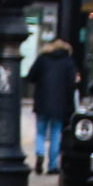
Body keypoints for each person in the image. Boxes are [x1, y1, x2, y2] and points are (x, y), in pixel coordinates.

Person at [25, 38, 78, 174]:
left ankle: (40, 153)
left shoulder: (42, 59)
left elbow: (31, 76)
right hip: (60, 104)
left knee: (41, 132)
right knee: (55, 134)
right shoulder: (68, 61)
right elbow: (71, 85)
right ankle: (52, 165)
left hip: (42, 102)